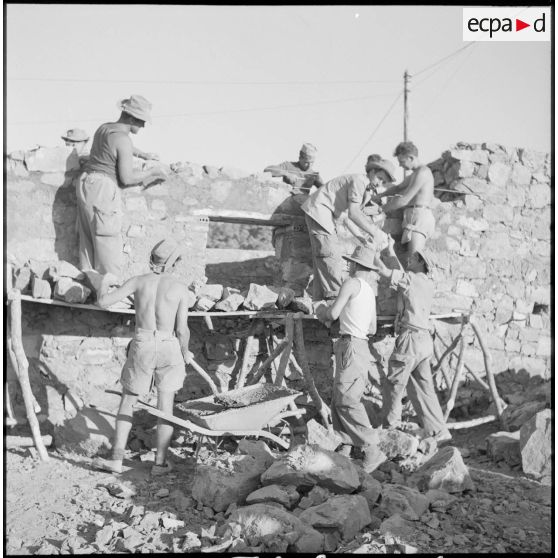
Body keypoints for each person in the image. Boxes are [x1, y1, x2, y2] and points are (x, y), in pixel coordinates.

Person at [92, 238, 192, 475]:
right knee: (165, 406)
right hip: (169, 344)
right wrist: (185, 350)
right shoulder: (179, 288)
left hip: (143, 342)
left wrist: (104, 283)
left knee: (128, 400)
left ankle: (116, 459)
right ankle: (159, 464)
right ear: (173, 263)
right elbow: (182, 330)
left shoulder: (138, 282)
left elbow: (104, 302)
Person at [76, 94, 167, 279]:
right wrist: (152, 172)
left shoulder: (105, 128)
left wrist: (143, 155)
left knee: (87, 243)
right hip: (103, 188)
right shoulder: (123, 140)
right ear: (131, 118)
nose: (142, 126)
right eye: (141, 121)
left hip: (85, 182)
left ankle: (89, 289)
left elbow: (121, 146)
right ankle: (109, 295)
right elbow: (127, 178)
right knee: (107, 244)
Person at [315, 244, 386, 472]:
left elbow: (333, 313)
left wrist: (320, 311)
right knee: (340, 396)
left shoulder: (351, 283)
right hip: (362, 345)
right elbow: (373, 327)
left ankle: (371, 448)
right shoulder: (369, 291)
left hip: (351, 344)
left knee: (347, 399)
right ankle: (346, 444)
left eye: (350, 262)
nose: (348, 265)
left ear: (355, 265)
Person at [373, 237, 451, 442]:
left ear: (421, 263)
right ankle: (438, 430)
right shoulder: (425, 282)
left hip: (411, 340)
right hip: (425, 341)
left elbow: (384, 273)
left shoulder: (411, 280)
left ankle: (389, 431)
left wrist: (372, 255)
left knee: (394, 384)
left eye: (414, 257)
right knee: (424, 388)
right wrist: (390, 250)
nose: (410, 258)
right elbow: (401, 276)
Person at [301, 157, 395, 300]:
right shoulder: (359, 181)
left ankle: (320, 302)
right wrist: (375, 232)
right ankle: (335, 299)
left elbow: (346, 217)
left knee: (322, 259)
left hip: (323, 214)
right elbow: (354, 213)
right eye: (379, 178)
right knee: (330, 254)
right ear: (373, 171)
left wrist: (362, 238)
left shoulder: (364, 188)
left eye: (383, 182)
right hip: (319, 211)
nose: (379, 183)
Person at [374, 141, 435, 264]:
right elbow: (398, 188)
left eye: (402, 162)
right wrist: (379, 196)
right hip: (412, 216)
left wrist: (380, 209)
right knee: (409, 260)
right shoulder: (414, 174)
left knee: (414, 260)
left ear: (411, 157)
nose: (401, 166)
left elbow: (404, 200)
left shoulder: (423, 172)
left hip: (419, 216)